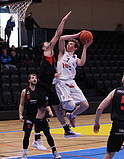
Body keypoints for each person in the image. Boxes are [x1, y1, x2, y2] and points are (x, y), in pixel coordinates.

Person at [35, 11, 80, 140]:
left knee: (57, 107)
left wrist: (54, 74)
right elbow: (58, 35)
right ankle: (37, 138)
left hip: (50, 85)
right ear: (44, 48)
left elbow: (47, 70)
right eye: (46, 44)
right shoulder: (48, 51)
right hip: (42, 86)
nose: (49, 44)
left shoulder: (50, 57)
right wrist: (63, 21)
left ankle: (67, 130)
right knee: (41, 111)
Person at [53, 30, 92, 128]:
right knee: (71, 105)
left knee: (85, 105)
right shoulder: (62, 53)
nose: (68, 45)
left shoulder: (75, 58)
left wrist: (85, 48)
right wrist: (77, 35)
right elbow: (61, 38)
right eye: (68, 43)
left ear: (75, 48)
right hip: (61, 81)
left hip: (71, 82)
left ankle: (72, 115)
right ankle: (63, 106)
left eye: (71, 44)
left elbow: (82, 63)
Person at [19, 73, 61, 159]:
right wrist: (20, 115)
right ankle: (24, 153)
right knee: (27, 134)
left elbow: (45, 103)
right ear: (29, 80)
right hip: (30, 115)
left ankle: (55, 152)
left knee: (47, 134)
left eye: (35, 78)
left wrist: (49, 111)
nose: (34, 79)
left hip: (40, 116)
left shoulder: (41, 91)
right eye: (32, 78)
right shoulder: (25, 91)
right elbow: (21, 104)